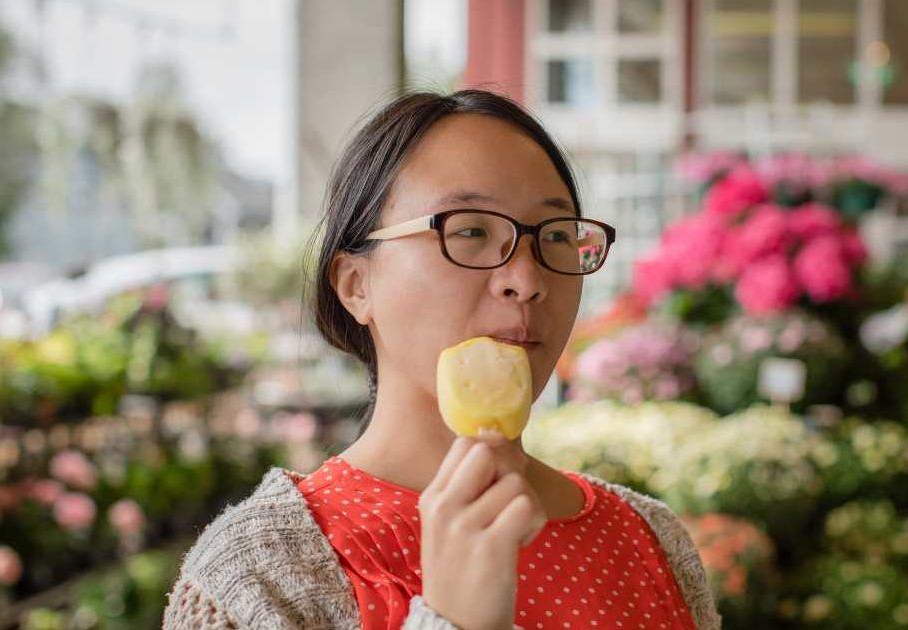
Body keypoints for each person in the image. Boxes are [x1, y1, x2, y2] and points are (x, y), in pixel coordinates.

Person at [163, 89, 719, 630]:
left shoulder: (650, 538)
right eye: (471, 230)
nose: (526, 281)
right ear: (356, 285)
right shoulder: (257, 575)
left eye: (555, 237)